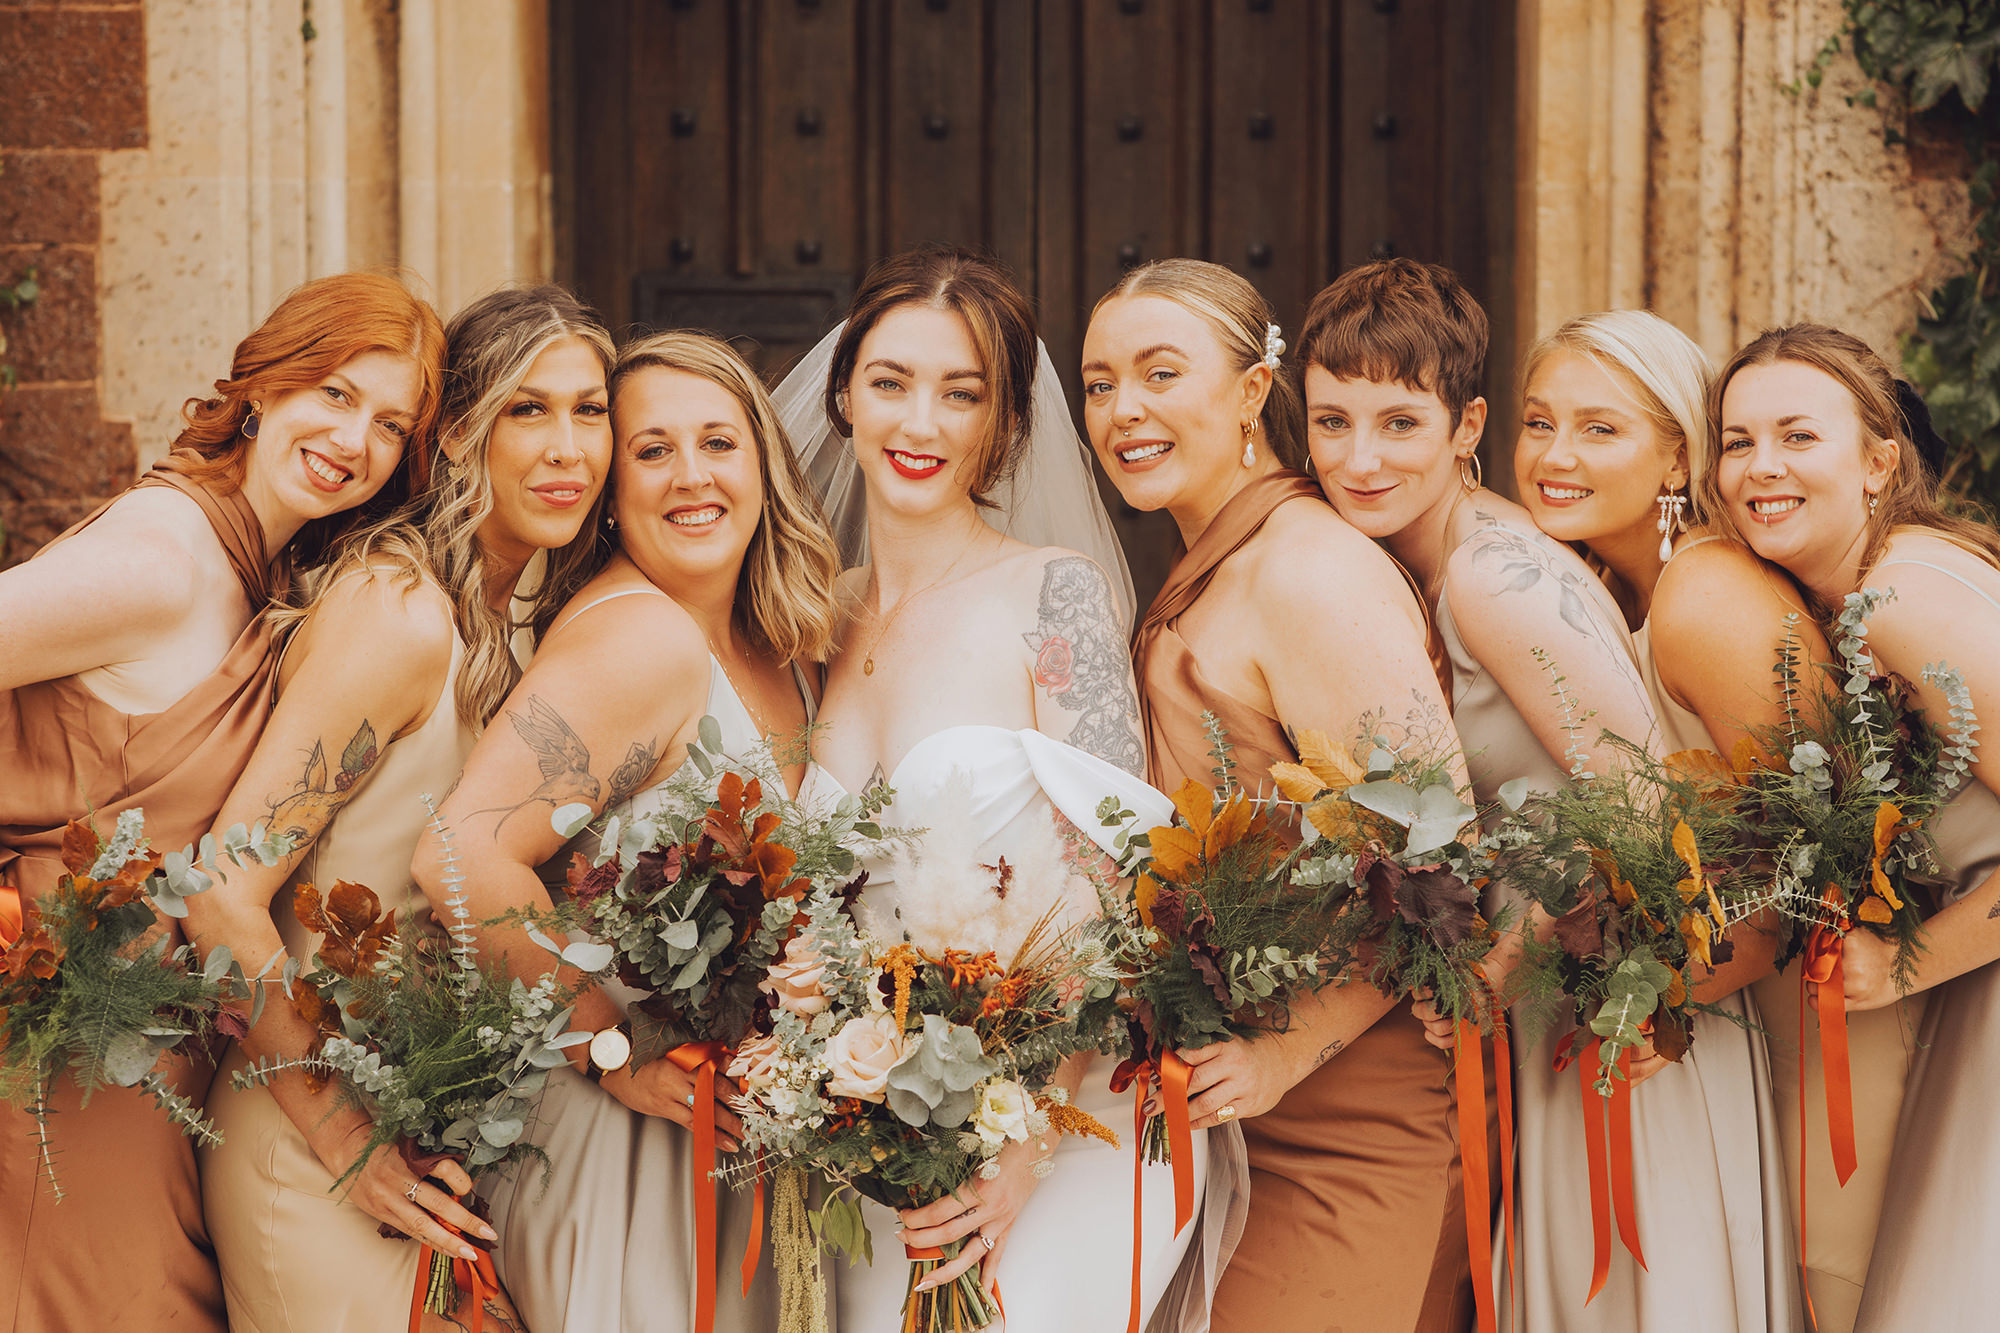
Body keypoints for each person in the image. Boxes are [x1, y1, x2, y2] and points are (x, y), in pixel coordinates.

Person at [777, 244, 1222, 1332]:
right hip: (880, 1135)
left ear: (1004, 426)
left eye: (960, 392)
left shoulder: (1050, 594)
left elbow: (1130, 887)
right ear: (843, 397)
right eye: (890, 383)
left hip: (1067, 1124)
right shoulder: (811, 621)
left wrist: (1025, 1135)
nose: (918, 422)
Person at [0, 271, 443, 1333]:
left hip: (147, 1071)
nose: (355, 439)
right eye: (333, 393)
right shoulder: (163, 562)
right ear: (262, 388)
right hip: (67, 1082)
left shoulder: (260, 573)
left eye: (391, 424)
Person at [192, 285, 616, 1333]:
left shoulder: (527, 621)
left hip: (434, 1139)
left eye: (590, 410)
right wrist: (345, 1139)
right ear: (462, 433)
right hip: (312, 1147)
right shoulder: (400, 612)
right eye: (529, 410)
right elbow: (216, 895)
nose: (569, 448)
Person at [417, 330, 843, 1332]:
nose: (690, 476)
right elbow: (457, 852)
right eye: (651, 451)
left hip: (734, 1149)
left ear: (766, 467)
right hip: (621, 1143)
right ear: (611, 489)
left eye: (718, 443)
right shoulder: (638, 638)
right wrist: (611, 1048)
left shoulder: (786, 648)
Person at [1087, 256, 1472, 1333]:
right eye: (1101, 382)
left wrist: (1287, 1051)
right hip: (1234, 1100)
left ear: (1254, 390)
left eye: (1160, 373)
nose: (1125, 410)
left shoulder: (1305, 570)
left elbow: (1440, 862)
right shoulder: (1212, 557)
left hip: (1346, 1109)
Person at [1298, 258, 1675, 1329]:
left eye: (1397, 423)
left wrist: (1518, 954)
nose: (1358, 459)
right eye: (1331, 421)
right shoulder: (1410, 563)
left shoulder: (1490, 575)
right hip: (1535, 1017)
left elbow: (1650, 809)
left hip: (1600, 1018)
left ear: (1465, 425)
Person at [1508, 309, 1802, 1330]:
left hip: (1671, 1042)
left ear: (1677, 449)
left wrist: (1649, 995)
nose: (1551, 455)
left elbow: (1805, 858)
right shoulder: (1587, 590)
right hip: (1588, 1031)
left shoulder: (1703, 593)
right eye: (1537, 421)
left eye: (1598, 429)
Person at [1705, 324, 2000, 1332]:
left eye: (1796, 436)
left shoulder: (1897, 602)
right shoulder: (1871, 587)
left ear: (1878, 461)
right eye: (1736, 441)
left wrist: (1907, 967)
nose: (1759, 468)